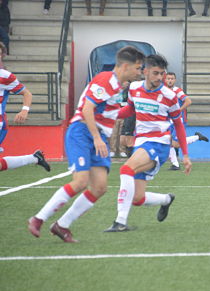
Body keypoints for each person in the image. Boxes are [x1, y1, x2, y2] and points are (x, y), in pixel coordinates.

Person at [27, 46, 144, 243]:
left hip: (97, 136)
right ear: (125, 66)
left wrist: (137, 110)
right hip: (82, 133)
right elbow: (88, 109)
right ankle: (38, 218)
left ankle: (62, 225)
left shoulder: (118, 86)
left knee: (99, 187)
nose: (140, 72)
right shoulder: (105, 80)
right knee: (80, 181)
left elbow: (108, 112)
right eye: (138, 68)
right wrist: (97, 138)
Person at [104, 55, 192, 232]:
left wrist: (186, 155)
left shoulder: (169, 96)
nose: (160, 78)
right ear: (145, 71)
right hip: (141, 142)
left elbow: (178, 125)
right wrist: (109, 114)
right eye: (155, 73)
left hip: (158, 143)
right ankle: (166, 199)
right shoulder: (134, 88)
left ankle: (120, 222)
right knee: (137, 198)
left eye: (162, 74)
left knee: (126, 169)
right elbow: (130, 109)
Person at [0, 58, 51, 172]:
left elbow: (27, 93)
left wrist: (24, 110)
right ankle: (33, 158)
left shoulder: (6, 76)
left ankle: (33, 158)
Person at [164, 72, 209, 170]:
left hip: (178, 121)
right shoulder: (164, 91)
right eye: (168, 78)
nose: (170, 80)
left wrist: (178, 111)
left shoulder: (177, 90)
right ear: (165, 80)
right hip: (169, 121)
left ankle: (197, 137)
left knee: (176, 144)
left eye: (172, 78)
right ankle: (175, 164)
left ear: (175, 80)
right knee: (168, 141)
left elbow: (188, 101)